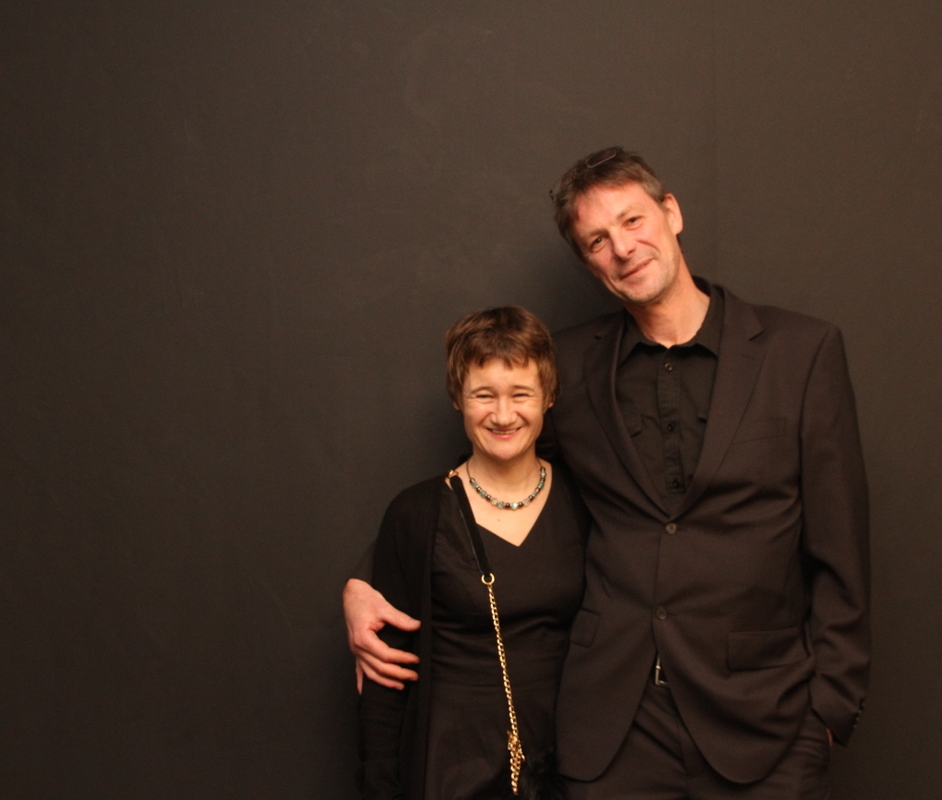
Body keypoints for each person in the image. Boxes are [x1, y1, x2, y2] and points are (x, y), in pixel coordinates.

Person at [346, 148, 870, 799]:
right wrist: (369, 577)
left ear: (671, 212)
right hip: (614, 733)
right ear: (587, 261)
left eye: (632, 220)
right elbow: (496, 470)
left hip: (765, 725)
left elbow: (841, 546)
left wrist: (829, 711)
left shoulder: (801, 353)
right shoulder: (567, 366)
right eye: (597, 240)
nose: (622, 248)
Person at [356, 307, 586, 799]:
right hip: (452, 769)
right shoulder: (416, 514)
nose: (503, 415)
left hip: (572, 764)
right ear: (457, 398)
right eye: (484, 395)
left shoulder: (588, 500)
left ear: (549, 396)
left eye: (521, 394)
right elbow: (383, 679)